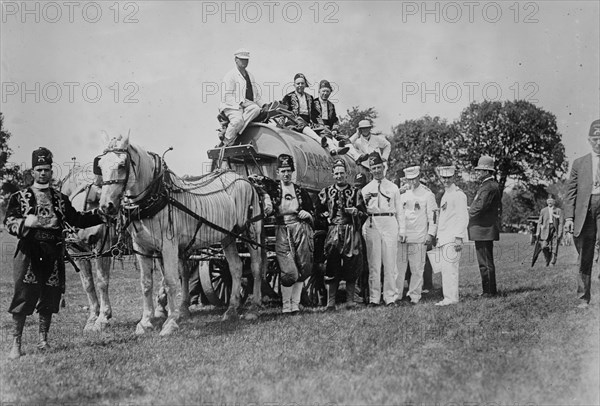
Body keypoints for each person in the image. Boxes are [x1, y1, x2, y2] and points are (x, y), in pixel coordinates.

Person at [4, 147, 105, 359]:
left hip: (53, 252)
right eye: (39, 169)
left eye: (47, 169)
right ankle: (16, 344)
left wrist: (101, 214)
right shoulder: (19, 197)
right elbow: (9, 222)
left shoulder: (60, 199)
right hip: (29, 252)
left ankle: (43, 341)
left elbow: (77, 219)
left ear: (52, 172)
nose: (43, 173)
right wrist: (25, 223)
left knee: (50, 297)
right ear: (33, 172)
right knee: (23, 296)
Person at [258, 154, 314, 314]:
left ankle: (294, 306)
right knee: (289, 271)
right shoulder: (273, 189)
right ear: (278, 172)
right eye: (283, 171)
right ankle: (286, 306)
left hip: (300, 229)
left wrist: (308, 215)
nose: (286, 174)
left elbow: (312, 211)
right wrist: (267, 199)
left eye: (289, 171)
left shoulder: (300, 191)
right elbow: (257, 185)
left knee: (303, 268)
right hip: (282, 230)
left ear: (293, 171)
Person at [316, 159, 367, 310]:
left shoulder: (355, 192)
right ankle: (330, 303)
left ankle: (350, 301)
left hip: (351, 231)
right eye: (336, 173)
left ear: (347, 174)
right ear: (333, 174)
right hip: (333, 232)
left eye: (342, 173)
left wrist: (356, 212)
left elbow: (365, 213)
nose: (339, 176)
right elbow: (317, 211)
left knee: (352, 265)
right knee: (332, 265)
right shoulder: (325, 192)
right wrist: (324, 216)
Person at [564, 119, 600, 308]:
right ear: (589, 139)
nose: (599, 142)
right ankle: (583, 298)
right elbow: (570, 193)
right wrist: (569, 218)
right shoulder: (579, 163)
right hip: (584, 212)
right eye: (595, 138)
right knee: (584, 256)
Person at [361, 152, 402, 306]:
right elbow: (362, 210)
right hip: (373, 223)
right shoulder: (365, 189)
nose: (377, 171)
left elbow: (400, 211)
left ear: (384, 167)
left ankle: (390, 297)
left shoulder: (393, 187)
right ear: (370, 170)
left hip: (389, 222)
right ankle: (374, 298)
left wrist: (402, 230)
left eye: (379, 167)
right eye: (373, 168)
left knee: (390, 262)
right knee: (374, 263)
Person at [397, 165, 438, 304]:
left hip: (419, 236)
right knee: (399, 268)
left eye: (414, 179)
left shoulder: (427, 195)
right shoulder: (402, 194)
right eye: (409, 180)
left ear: (419, 177)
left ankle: (414, 295)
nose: (412, 182)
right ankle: (397, 295)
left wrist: (430, 234)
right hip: (402, 236)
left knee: (417, 268)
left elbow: (433, 217)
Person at [433, 164, 468, 306]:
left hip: (453, 238)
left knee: (451, 270)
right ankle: (448, 297)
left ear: (453, 177)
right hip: (444, 238)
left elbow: (463, 217)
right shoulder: (446, 194)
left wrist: (459, 237)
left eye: (448, 177)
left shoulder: (459, 195)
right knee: (445, 270)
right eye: (443, 178)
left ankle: (452, 298)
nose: (446, 180)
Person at [468, 155, 502, 297]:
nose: (478, 173)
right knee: (484, 261)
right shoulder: (487, 186)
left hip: (484, 229)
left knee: (485, 262)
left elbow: (480, 207)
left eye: (480, 170)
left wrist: (467, 213)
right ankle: (488, 290)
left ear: (487, 172)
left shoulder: (489, 187)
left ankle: (489, 292)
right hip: (483, 229)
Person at [219, 48, 262, 146]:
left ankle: (238, 133)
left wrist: (266, 105)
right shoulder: (230, 75)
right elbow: (226, 96)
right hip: (231, 106)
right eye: (242, 59)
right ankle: (227, 140)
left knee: (256, 109)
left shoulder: (250, 76)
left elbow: (256, 96)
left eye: (246, 60)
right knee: (238, 120)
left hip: (246, 106)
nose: (244, 62)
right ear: (236, 60)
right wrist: (241, 103)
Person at [311, 80, 350, 156]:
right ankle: (334, 148)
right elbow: (312, 117)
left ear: (330, 92)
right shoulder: (313, 103)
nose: (325, 94)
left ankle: (356, 156)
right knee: (326, 134)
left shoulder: (331, 105)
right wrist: (323, 127)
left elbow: (335, 119)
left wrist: (335, 129)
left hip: (330, 129)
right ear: (319, 91)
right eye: (323, 91)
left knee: (344, 138)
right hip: (318, 128)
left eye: (327, 92)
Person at [536, 196, 564, 266]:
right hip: (545, 230)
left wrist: (560, 232)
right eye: (548, 201)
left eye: (551, 201)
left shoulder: (558, 210)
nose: (550, 202)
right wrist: (538, 232)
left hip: (555, 229)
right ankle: (547, 259)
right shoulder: (543, 210)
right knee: (544, 246)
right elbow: (540, 222)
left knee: (555, 245)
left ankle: (552, 261)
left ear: (554, 202)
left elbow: (561, 222)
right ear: (546, 202)